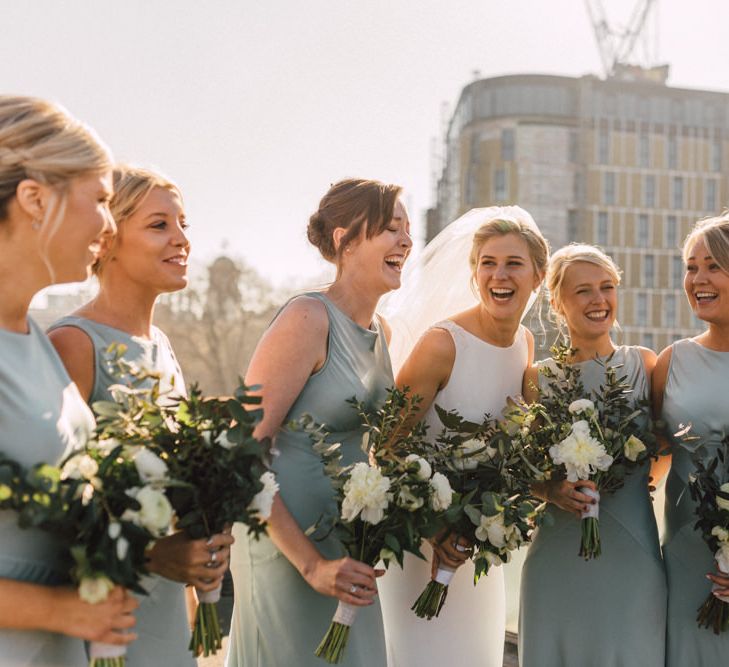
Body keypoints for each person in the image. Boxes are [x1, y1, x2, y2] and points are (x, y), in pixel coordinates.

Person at [48, 165, 233, 666]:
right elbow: (51, 503)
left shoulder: (163, 347)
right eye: (159, 225)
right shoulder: (74, 344)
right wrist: (156, 556)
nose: (182, 240)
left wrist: (196, 569)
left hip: (168, 606)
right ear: (106, 239)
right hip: (102, 611)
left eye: (183, 225)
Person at [226, 178, 412, 666]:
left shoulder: (383, 333)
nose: (406, 242)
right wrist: (310, 565)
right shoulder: (308, 318)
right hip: (286, 548)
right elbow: (244, 452)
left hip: (348, 549)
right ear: (344, 239)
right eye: (391, 229)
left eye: (408, 231)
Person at [0, 95, 138, 665]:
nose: (110, 226)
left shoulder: (35, 337)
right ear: (34, 199)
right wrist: (60, 611)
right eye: (102, 200)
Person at [378, 207, 548, 667]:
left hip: (477, 549)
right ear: (474, 273)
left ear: (539, 274)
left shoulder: (525, 345)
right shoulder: (441, 344)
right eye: (487, 263)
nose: (499, 274)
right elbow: (388, 448)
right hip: (421, 544)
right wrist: (437, 530)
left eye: (513, 263)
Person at [519, 243, 666, 666]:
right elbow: (517, 469)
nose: (599, 300)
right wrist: (551, 489)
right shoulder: (536, 378)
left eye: (607, 287)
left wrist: (627, 477)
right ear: (556, 301)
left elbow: (668, 444)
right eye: (583, 291)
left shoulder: (643, 365)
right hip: (556, 555)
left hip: (631, 551)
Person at [652, 214, 729, 665]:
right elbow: (648, 458)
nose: (697, 279)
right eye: (690, 266)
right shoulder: (672, 362)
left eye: (713, 266)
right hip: (686, 560)